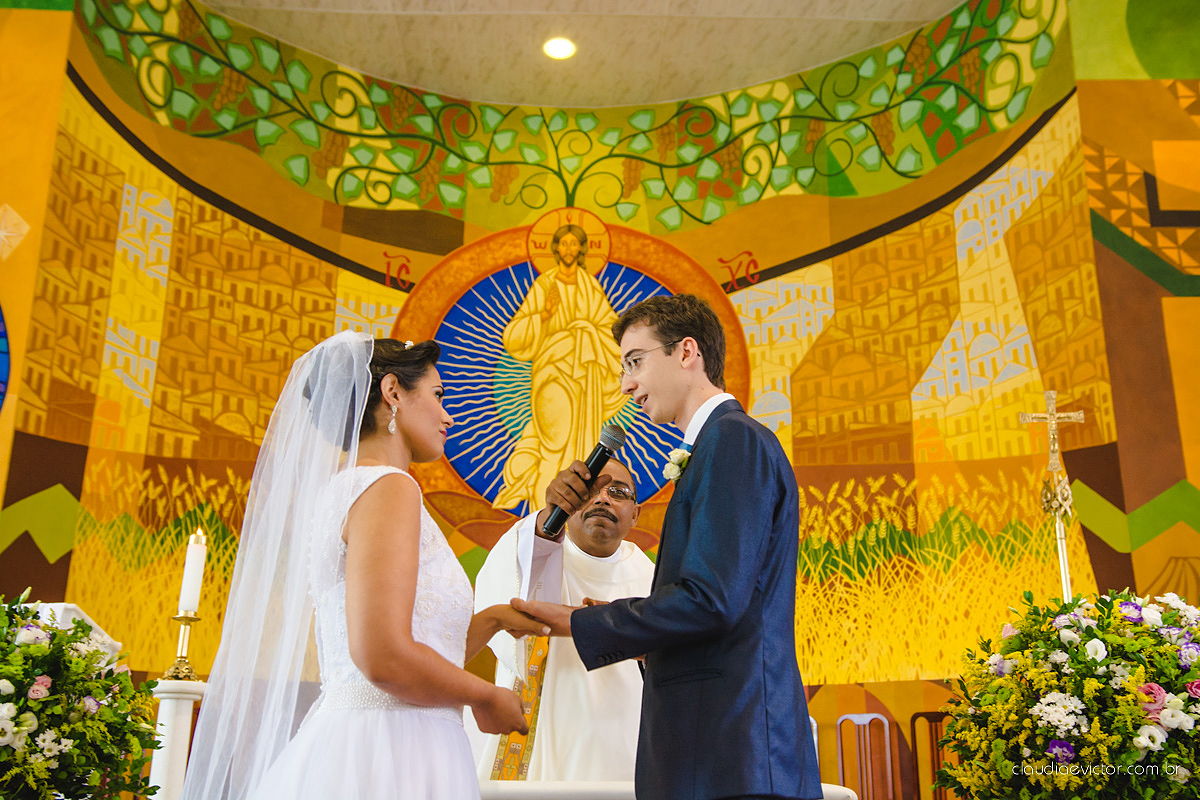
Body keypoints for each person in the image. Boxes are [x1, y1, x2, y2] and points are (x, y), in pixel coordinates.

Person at [181, 332, 546, 800]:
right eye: (437, 396)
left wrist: (492, 620)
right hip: (391, 749)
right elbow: (383, 659)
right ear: (393, 392)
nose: (447, 416)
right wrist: (485, 695)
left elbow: (415, 647)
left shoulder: (349, 488)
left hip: (386, 733)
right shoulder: (389, 488)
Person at [514, 294, 823, 800]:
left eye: (635, 362)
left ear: (686, 353)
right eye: (621, 369)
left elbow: (711, 600)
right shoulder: (713, 447)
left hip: (731, 752)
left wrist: (578, 622)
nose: (625, 384)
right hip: (717, 750)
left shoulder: (732, 441)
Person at [470, 457, 654, 782]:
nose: (602, 498)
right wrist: (548, 519)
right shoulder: (538, 554)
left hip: (627, 741)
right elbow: (506, 581)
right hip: (543, 733)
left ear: (636, 514)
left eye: (619, 491)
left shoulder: (654, 579)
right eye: (592, 491)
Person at [493, 224, 627, 511]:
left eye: (574, 244)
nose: (568, 250)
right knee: (554, 442)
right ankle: (542, 516)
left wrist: (589, 331)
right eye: (563, 244)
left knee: (581, 450)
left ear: (581, 250)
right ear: (555, 248)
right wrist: (544, 315)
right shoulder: (545, 285)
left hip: (585, 378)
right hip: (552, 371)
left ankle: (576, 524)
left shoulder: (589, 285)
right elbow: (515, 336)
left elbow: (611, 328)